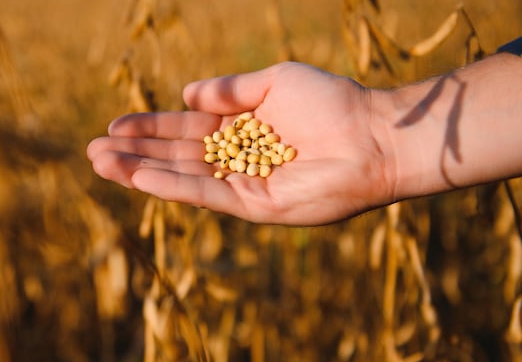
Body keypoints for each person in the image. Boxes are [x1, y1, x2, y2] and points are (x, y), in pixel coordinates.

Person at [87, 38, 522, 226]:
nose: (244, 151)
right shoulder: (242, 147)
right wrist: (382, 130)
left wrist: (381, 131)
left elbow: (248, 151)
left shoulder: (247, 147)